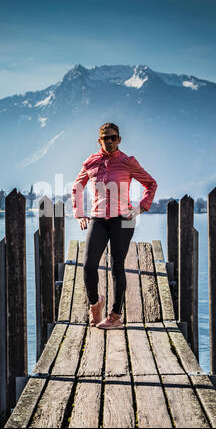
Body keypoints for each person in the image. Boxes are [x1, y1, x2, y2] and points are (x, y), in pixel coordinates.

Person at [71, 122, 158, 329]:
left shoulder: (128, 162)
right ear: (99, 141)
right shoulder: (91, 162)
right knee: (88, 265)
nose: (109, 141)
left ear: (119, 139)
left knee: (117, 267)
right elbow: (77, 186)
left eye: (113, 137)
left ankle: (115, 316)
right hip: (98, 220)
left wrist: (140, 208)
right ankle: (95, 305)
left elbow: (151, 184)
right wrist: (79, 214)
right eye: (105, 138)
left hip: (123, 220)